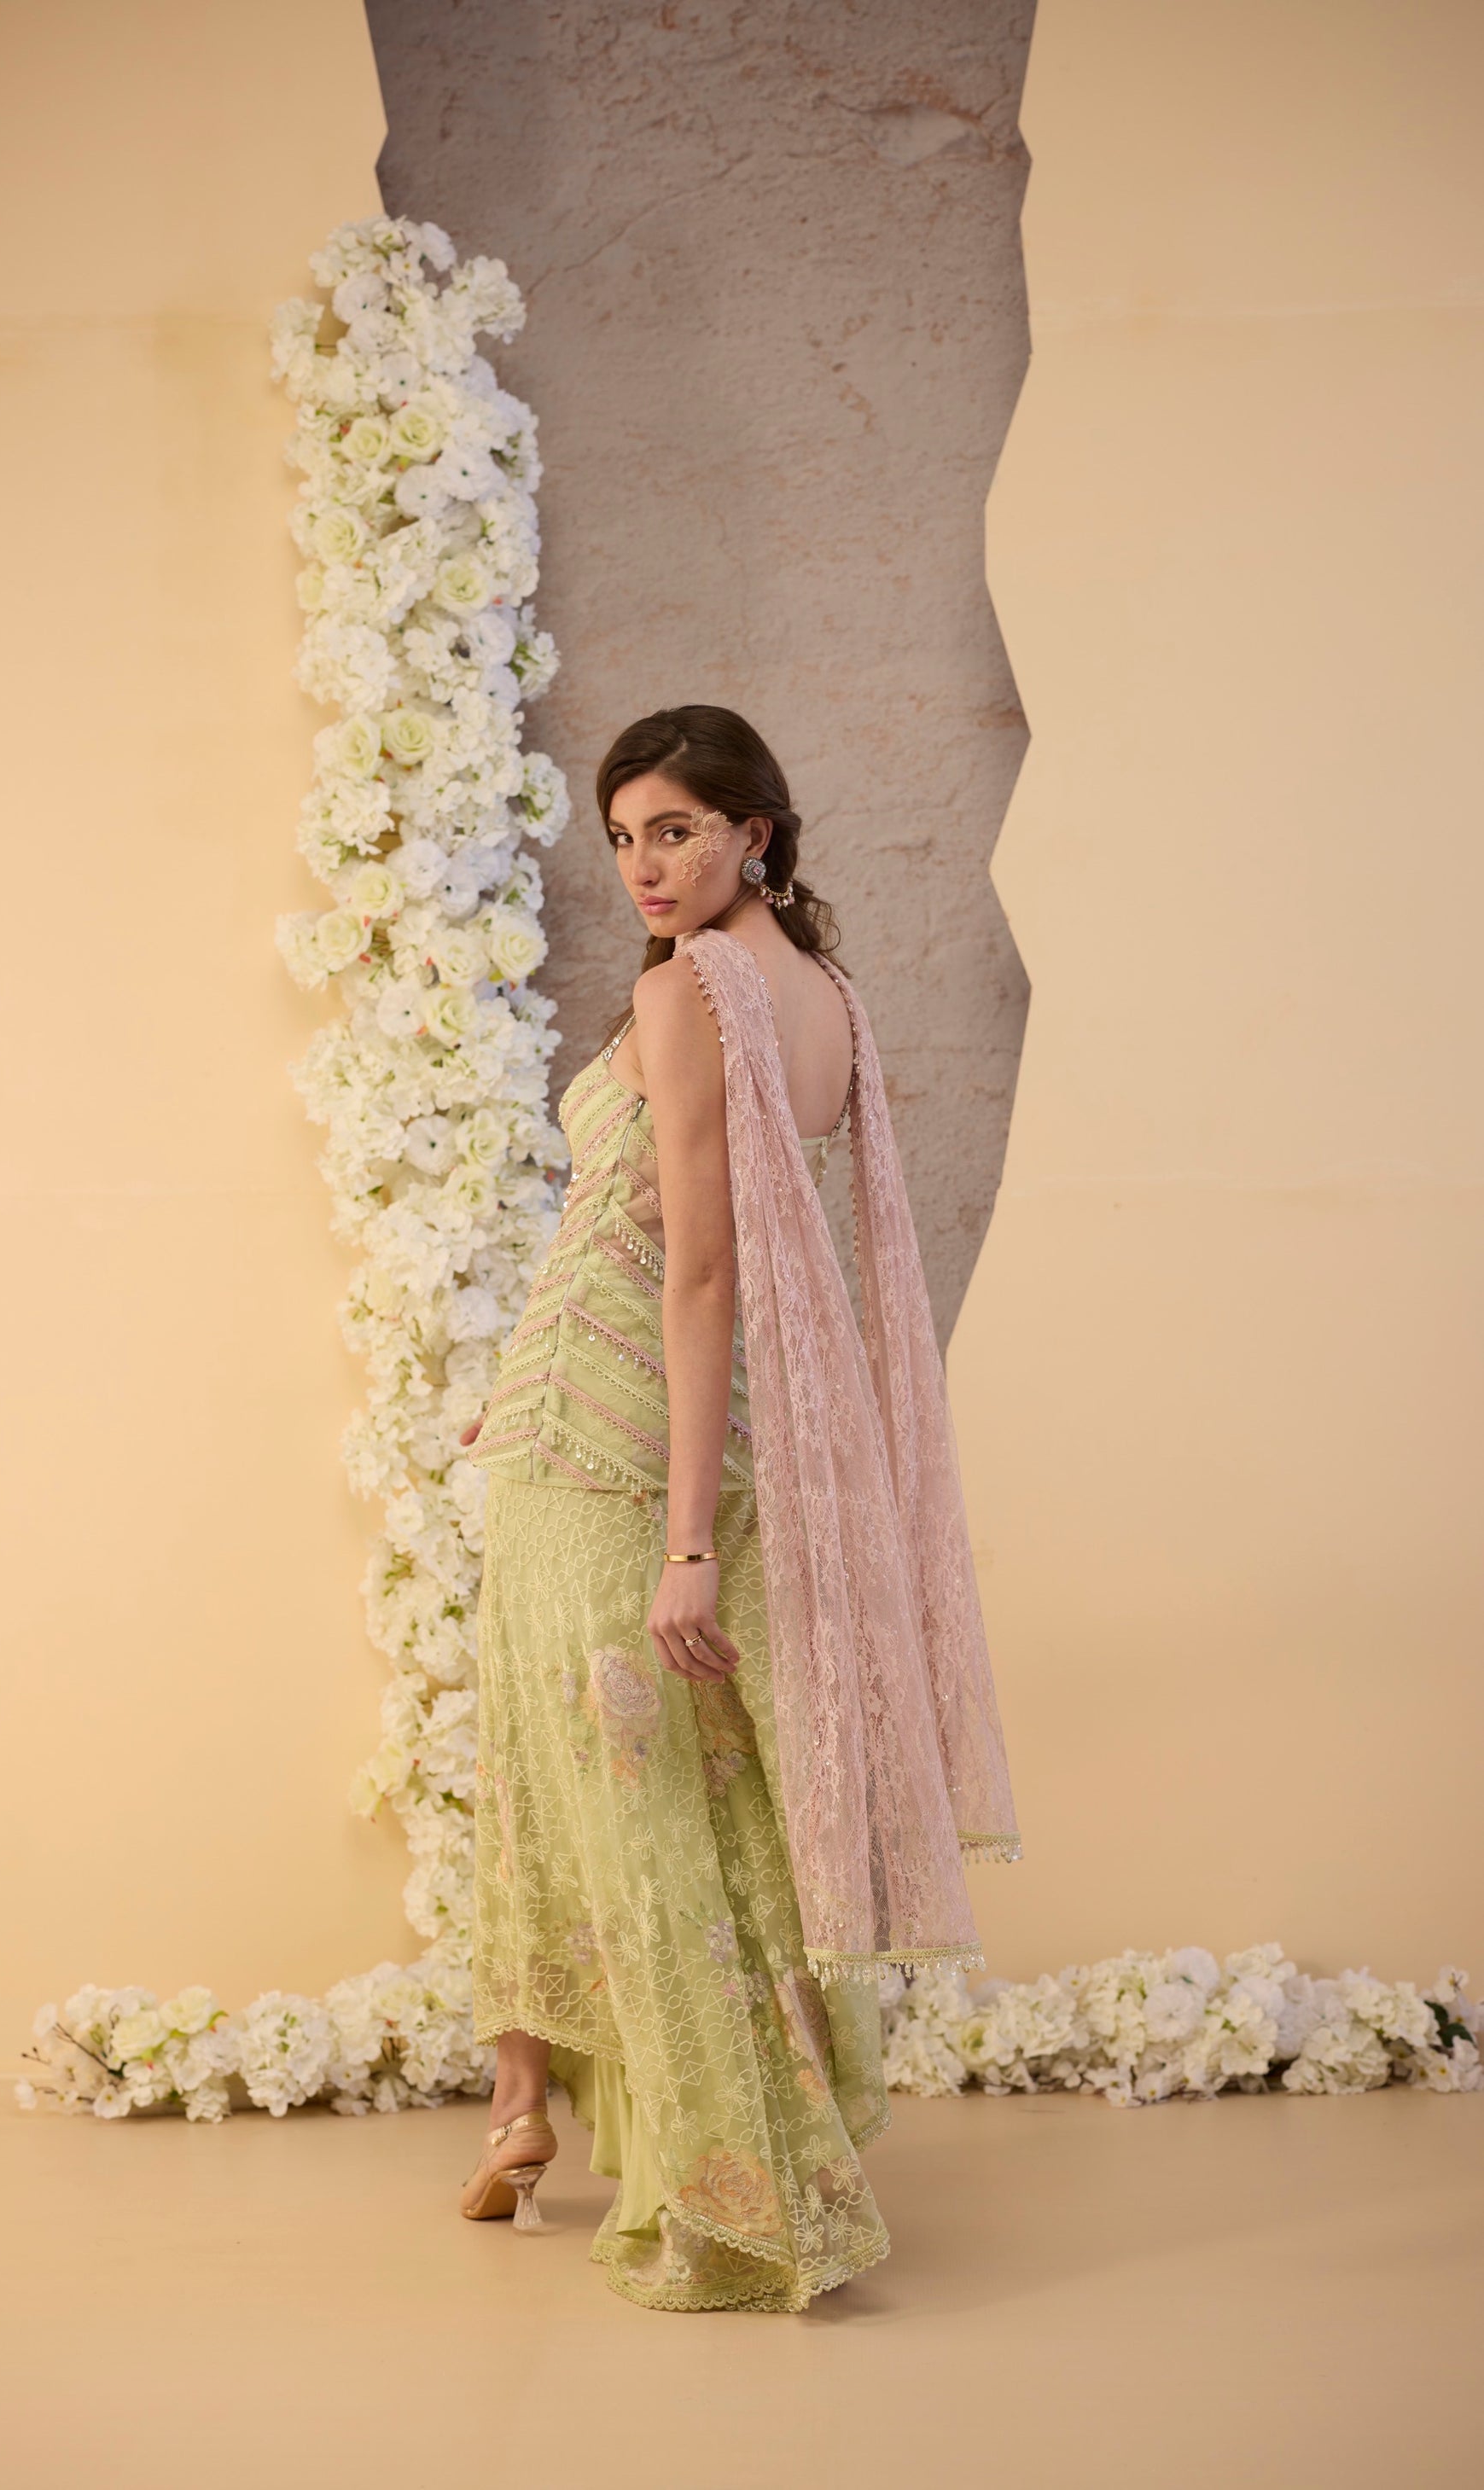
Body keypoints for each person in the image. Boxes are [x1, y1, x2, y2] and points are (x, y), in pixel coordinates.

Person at [456, 705, 1019, 2311]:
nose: (642, 865)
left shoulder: (690, 988)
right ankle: (532, 2102)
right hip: (653, 1418)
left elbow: (703, 1266)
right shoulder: (826, 997)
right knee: (675, 1794)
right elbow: (667, 1240)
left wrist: (688, 1541)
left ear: (752, 833)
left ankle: (723, 2176)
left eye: (676, 830)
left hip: (620, 1458)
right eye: (622, 835)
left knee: (599, 1799)